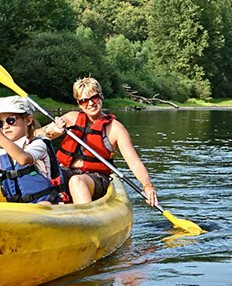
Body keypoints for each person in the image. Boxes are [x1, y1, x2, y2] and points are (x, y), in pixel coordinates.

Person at [42, 77, 159, 206]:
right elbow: (35, 135)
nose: (90, 103)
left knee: (77, 181)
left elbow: (134, 162)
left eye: (94, 98)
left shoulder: (115, 128)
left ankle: (86, 221)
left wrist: (147, 185)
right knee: (42, 179)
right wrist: (51, 131)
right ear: (79, 103)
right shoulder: (70, 118)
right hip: (65, 172)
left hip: (95, 177)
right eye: (84, 101)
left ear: (101, 96)